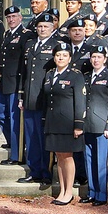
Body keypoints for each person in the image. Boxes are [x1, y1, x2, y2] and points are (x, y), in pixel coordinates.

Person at [42, 43, 86, 205]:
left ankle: (69, 192)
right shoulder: (50, 74)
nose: (60, 58)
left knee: (67, 156)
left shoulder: (75, 75)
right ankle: (62, 190)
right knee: (59, 157)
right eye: (58, 55)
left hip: (68, 123)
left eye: (64, 55)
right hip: (53, 121)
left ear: (70, 58)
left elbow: (80, 101)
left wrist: (79, 124)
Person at [17, 11, 58, 185]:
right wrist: (21, 95)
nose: (42, 29)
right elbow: (24, 72)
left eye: (46, 26)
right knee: (31, 137)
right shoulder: (29, 45)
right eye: (40, 26)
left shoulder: (57, 46)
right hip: (29, 98)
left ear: (52, 27)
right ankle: (34, 171)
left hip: (45, 99)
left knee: (44, 139)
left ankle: (46, 174)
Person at [81, 45, 108, 206]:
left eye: (99, 57)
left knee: (102, 161)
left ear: (105, 59)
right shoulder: (86, 76)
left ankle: (101, 194)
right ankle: (92, 191)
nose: (96, 60)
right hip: (87, 123)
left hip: (102, 124)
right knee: (89, 159)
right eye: (93, 57)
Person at [0, 6, 29, 165]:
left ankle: (17, 154)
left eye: (14, 16)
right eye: (8, 17)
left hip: (16, 83)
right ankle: (13, 141)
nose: (11, 20)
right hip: (4, 82)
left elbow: (25, 62)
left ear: (20, 18)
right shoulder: (7, 34)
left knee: (15, 118)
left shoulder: (25, 35)